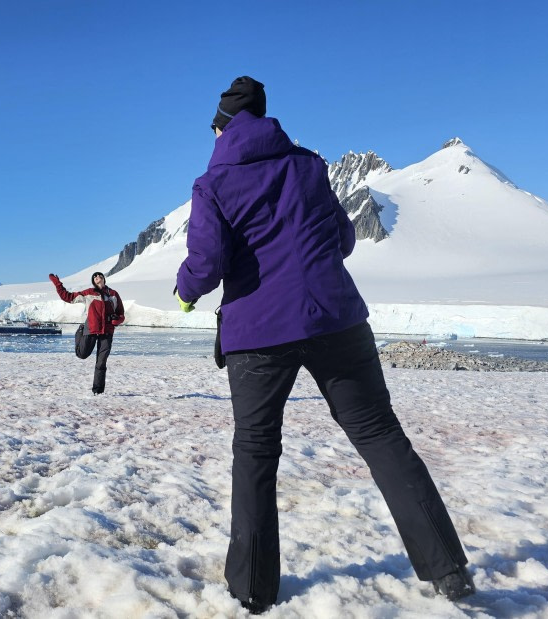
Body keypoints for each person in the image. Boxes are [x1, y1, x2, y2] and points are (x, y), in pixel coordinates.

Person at [175, 76, 474, 613]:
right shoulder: (310, 166)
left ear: (220, 128)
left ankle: (252, 589)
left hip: (259, 333)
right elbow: (343, 238)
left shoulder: (212, 183)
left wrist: (185, 290)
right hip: (335, 319)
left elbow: (207, 262)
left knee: (256, 451)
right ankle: (448, 570)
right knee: (381, 436)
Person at [49, 271, 124, 394]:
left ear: (104, 278)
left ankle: (98, 392)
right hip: (91, 329)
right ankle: (80, 331)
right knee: (82, 354)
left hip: (107, 332)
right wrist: (57, 283)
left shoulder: (114, 295)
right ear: (93, 281)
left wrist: (117, 320)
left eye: (99, 275)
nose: (97, 277)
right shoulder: (89, 293)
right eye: (94, 276)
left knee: (101, 363)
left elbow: (121, 313)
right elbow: (67, 297)